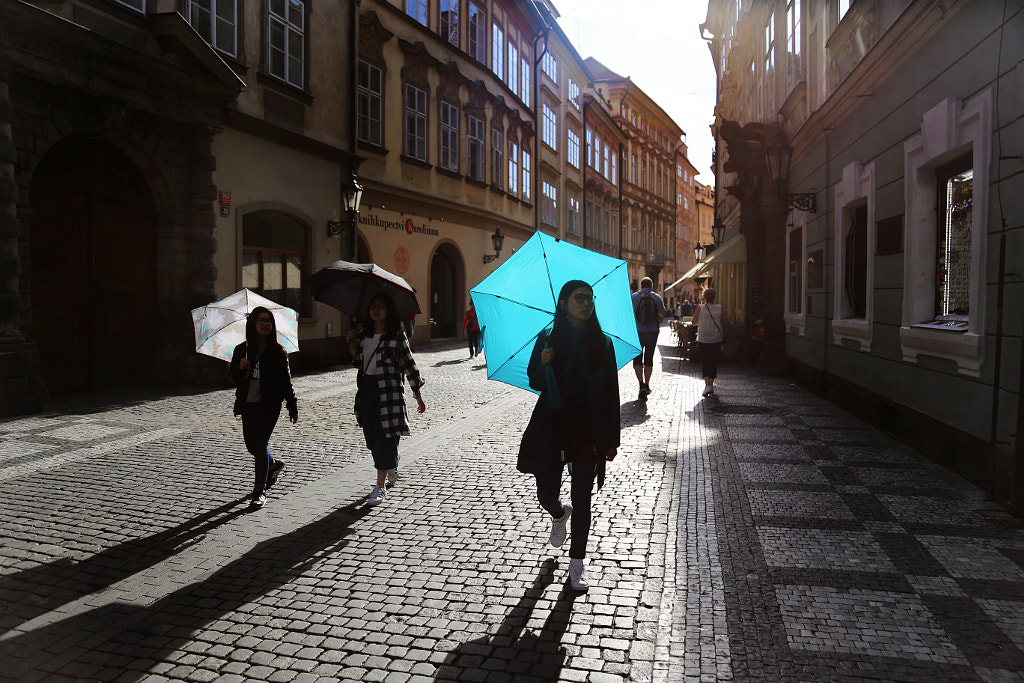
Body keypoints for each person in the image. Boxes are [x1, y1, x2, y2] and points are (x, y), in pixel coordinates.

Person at [518, 280, 620, 592]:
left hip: (586, 430)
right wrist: (543, 363)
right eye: (579, 298)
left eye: (590, 298)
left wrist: (611, 439)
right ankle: (559, 514)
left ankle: (578, 564)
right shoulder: (547, 338)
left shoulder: (603, 344)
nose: (586, 303)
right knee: (546, 493)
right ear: (564, 303)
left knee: (583, 497)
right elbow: (535, 380)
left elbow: (611, 393)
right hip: (552, 427)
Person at [346, 292, 426, 505]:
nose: (376, 309)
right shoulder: (363, 334)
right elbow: (358, 362)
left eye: (381, 306)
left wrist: (417, 394)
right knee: (372, 440)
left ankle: (379, 487)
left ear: (388, 311)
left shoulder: (396, 336)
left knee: (383, 438)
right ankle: (391, 461)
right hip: (367, 391)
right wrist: (352, 344)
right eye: (373, 305)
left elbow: (409, 364)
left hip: (389, 392)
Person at [228, 307, 299, 510]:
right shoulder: (241, 350)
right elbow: (232, 378)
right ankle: (274, 465)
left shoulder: (277, 352)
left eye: (268, 320)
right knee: (252, 446)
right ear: (253, 324)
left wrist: (292, 406)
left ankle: (259, 490)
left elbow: (286, 382)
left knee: (259, 446)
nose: (265, 323)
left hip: (269, 405)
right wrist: (239, 367)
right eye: (261, 320)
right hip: (248, 404)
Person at [630, 276, 667, 400]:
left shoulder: (634, 296)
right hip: (652, 332)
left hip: (637, 332)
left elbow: (629, 313)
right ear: (651, 286)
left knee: (637, 359)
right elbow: (662, 314)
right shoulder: (656, 297)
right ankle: (647, 384)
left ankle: (640, 385)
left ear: (641, 286)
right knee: (649, 358)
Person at [691, 288, 724, 397]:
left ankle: (707, 385)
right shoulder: (719, 308)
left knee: (705, 361)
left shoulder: (700, 308)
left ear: (704, 297)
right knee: (713, 362)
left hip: (704, 339)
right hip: (716, 339)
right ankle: (711, 384)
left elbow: (694, 322)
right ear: (714, 297)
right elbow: (722, 322)